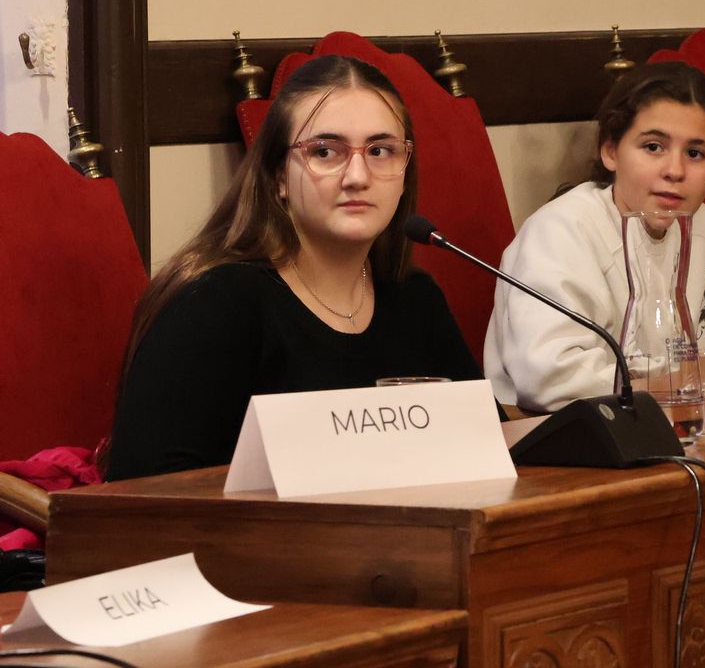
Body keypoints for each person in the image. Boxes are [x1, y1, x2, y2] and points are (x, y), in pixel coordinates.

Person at [106, 56, 483, 480]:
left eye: (380, 151)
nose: (358, 176)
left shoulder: (415, 299)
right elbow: (142, 494)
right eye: (325, 151)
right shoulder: (212, 304)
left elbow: (488, 449)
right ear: (278, 176)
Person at [485, 62, 705, 412]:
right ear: (611, 150)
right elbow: (549, 380)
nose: (675, 171)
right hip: (560, 433)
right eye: (653, 147)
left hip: (679, 424)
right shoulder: (560, 231)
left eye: (695, 153)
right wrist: (685, 383)